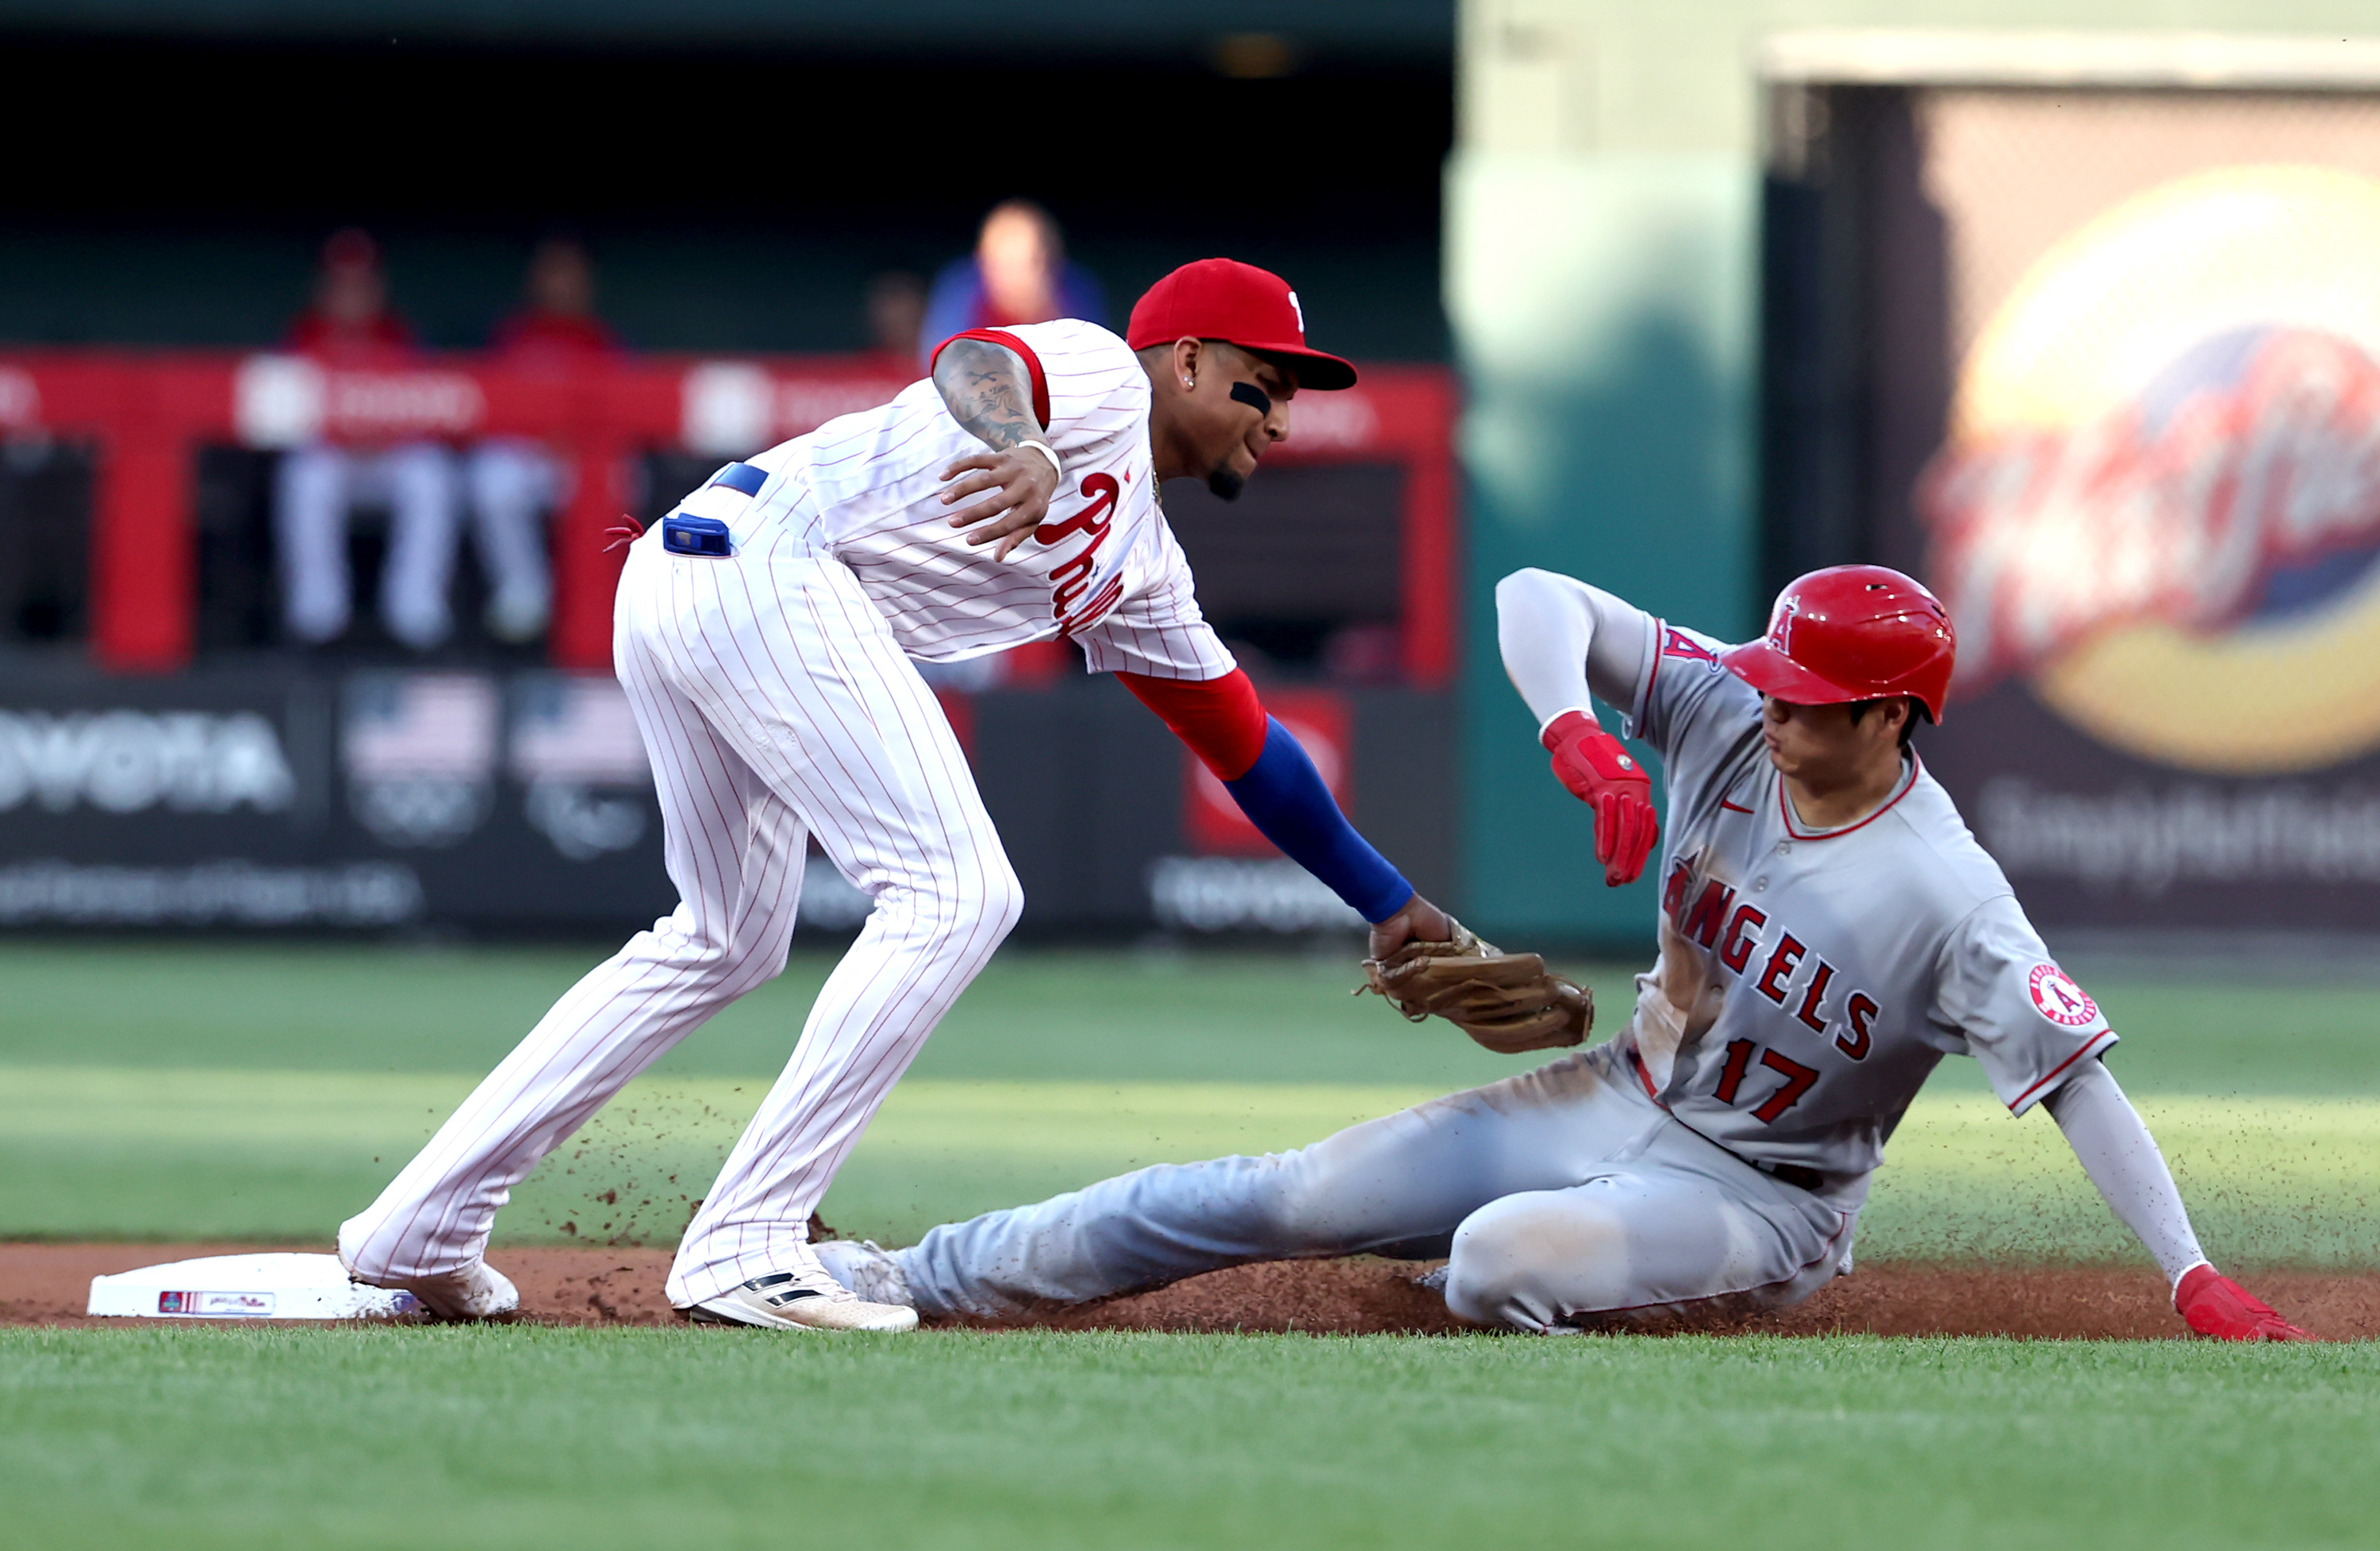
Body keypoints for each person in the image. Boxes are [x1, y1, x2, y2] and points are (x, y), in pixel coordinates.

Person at [338, 258, 1469, 1331]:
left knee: (724, 937)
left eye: (1286, 400)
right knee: (958, 893)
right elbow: (977, 360)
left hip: (696, 576)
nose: (1276, 419)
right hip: (763, 568)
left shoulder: (1142, 569)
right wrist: (1025, 447)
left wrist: (1390, 903)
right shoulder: (1097, 374)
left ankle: (420, 1226)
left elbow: (1249, 748)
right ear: (1181, 362)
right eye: (1256, 385)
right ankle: (747, 1240)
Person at [808, 564, 2313, 1343]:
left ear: (1892, 719)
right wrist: (1579, 734)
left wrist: (2188, 1273)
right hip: (1613, 1091)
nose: (1771, 703)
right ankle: (911, 1277)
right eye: (1774, 680)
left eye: (1810, 696)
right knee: (1277, 1193)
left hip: (1763, 1201)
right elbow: (1540, 603)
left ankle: (1587, 1308)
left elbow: (2079, 1084)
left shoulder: (1953, 898)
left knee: (1490, 1264)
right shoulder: (1732, 715)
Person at [274, 228, 459, 651]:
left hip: (391, 458)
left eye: (361, 284)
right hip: (331, 458)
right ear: (323, 288)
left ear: (378, 288)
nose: (352, 295)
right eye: (342, 284)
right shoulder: (301, 338)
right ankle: (317, 615)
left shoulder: (403, 338)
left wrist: (381, 428)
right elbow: (272, 414)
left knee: (430, 475)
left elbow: (439, 407)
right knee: (306, 477)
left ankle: (416, 611)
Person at [464, 236, 622, 643]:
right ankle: (525, 594)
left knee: (617, 478)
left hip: (583, 458)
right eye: (552, 272)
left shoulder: (603, 340)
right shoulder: (512, 336)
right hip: (525, 455)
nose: (560, 283)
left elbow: (634, 411)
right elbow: (484, 407)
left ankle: (607, 607)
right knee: (493, 480)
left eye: (570, 273)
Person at [918, 199, 1105, 369]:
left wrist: (1049, 311)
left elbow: (1093, 366)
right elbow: (943, 367)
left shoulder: (1075, 293)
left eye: (1033, 262)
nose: (1021, 276)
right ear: (984, 262)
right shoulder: (961, 293)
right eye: (1008, 264)